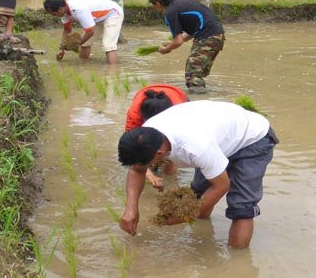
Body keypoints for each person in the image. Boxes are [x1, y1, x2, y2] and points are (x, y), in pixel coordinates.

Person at [117, 100, 279, 249]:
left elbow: (222, 186)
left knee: (241, 206)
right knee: (197, 194)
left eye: (146, 164)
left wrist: (183, 217)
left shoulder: (195, 147)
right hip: (218, 136)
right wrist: (131, 209)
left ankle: (236, 263)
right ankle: (201, 238)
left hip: (252, 139)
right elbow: (137, 169)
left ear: (159, 153)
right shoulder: (146, 135)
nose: (143, 168)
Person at [148, 0, 225, 94]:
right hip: (218, 34)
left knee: (192, 75)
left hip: (208, 36)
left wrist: (165, 49)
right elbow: (191, 32)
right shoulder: (182, 2)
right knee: (198, 72)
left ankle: (197, 101)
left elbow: (178, 41)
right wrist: (171, 44)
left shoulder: (170, 12)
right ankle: (203, 96)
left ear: (157, 3)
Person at [124, 84, 188, 187]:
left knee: (170, 148)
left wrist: (169, 179)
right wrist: (150, 175)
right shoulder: (134, 116)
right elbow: (132, 150)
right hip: (147, 99)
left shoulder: (180, 113)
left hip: (178, 98)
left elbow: (177, 146)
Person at [43, 0, 123, 65]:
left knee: (108, 45)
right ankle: (84, 65)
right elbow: (67, 30)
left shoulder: (79, 10)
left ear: (60, 9)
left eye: (54, 14)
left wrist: (77, 44)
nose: (54, 16)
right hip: (98, 17)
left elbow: (90, 32)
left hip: (112, 13)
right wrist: (62, 49)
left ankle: (113, 72)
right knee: (85, 44)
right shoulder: (64, 11)